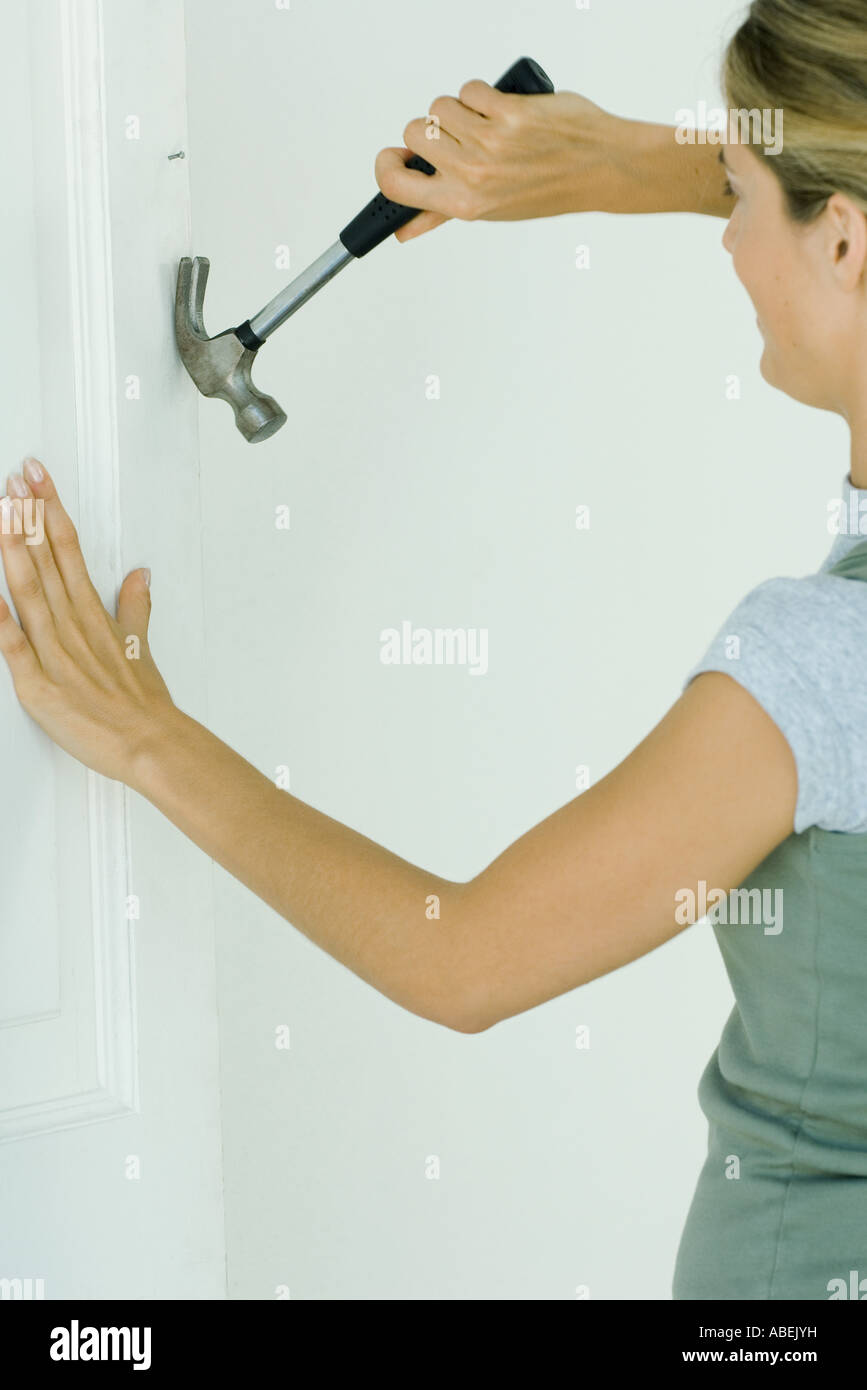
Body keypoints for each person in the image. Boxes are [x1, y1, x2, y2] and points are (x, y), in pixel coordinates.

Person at [2, 0, 867, 1300]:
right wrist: (622, 162)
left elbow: (462, 956)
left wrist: (146, 733)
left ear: (846, 236)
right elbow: (821, 191)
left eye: (739, 197)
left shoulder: (816, 662)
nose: (729, 241)